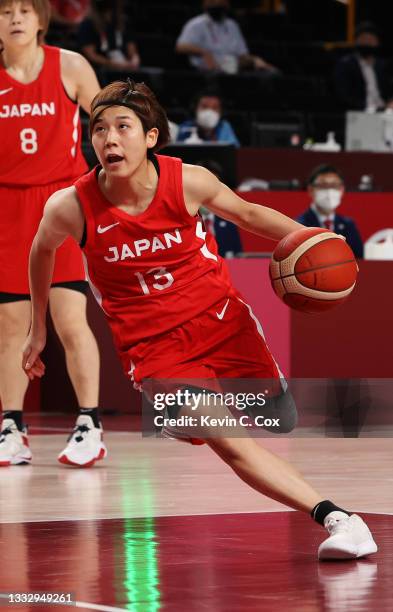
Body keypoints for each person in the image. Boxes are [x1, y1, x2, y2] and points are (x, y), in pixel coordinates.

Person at [23, 79, 377, 560]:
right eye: (98, 128)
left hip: (222, 321)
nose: (108, 139)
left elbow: (249, 213)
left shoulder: (188, 180)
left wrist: (317, 243)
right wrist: (37, 328)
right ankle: (339, 519)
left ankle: (229, 406)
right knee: (228, 440)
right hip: (154, 350)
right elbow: (41, 251)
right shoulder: (72, 206)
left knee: (277, 418)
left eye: (122, 127)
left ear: (150, 137)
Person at [0, 0, 106, 467]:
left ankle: (89, 423)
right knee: (9, 326)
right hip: (5, 204)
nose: (15, 19)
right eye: (5, 12)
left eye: (25, 11)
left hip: (60, 202)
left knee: (68, 318)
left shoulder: (71, 65)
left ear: (42, 20)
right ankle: (11, 427)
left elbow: (107, 123)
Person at [175, 0, 277, 74]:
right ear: (204, 4)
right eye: (212, 1)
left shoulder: (232, 25)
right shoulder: (196, 23)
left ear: (227, 4)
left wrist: (256, 60)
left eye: (220, 1)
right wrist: (204, 52)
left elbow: (242, 55)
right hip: (206, 74)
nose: (216, 3)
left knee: (271, 73)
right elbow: (180, 47)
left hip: (232, 72)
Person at [297, 164, 364, 258]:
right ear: (311, 190)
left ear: (342, 190)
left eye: (334, 185)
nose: (329, 191)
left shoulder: (349, 225)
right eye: (323, 185)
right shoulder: (300, 225)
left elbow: (358, 258)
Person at [334, 22, 392, 112]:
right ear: (356, 41)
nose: (367, 42)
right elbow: (343, 96)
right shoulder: (346, 65)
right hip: (360, 111)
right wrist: (370, 108)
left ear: (377, 42)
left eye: (371, 39)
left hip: (385, 111)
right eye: (364, 39)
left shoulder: (383, 66)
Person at [77, 0, 140, 72]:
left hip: (125, 66)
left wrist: (135, 59)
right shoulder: (88, 24)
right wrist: (112, 63)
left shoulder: (123, 21)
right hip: (101, 70)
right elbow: (91, 55)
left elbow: (131, 47)